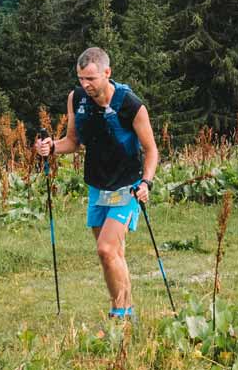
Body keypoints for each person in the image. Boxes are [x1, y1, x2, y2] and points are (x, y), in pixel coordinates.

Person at [33, 48, 160, 320]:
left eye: (91, 78)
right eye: (81, 78)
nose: (85, 85)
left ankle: (120, 314)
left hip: (127, 185)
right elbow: (73, 141)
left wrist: (146, 182)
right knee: (112, 255)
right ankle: (126, 310)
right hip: (97, 185)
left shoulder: (131, 105)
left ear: (107, 73)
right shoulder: (76, 98)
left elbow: (151, 150)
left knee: (106, 249)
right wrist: (50, 147)